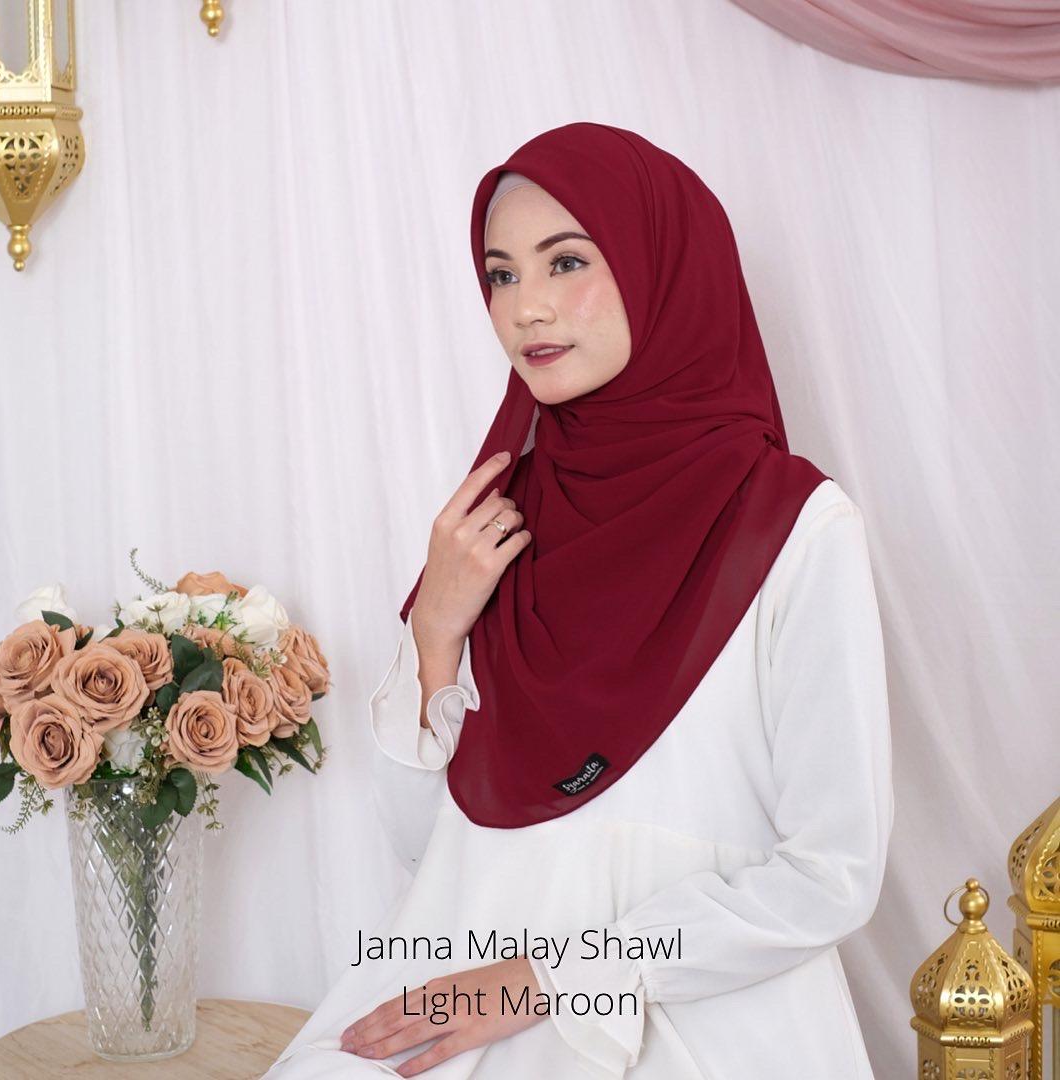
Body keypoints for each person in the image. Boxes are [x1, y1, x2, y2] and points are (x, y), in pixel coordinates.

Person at [264, 122, 894, 1079]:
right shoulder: (494, 523)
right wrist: (435, 632)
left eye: (566, 262)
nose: (526, 308)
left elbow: (832, 875)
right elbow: (428, 844)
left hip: (696, 1017)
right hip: (464, 984)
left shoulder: (795, 528)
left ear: (663, 269)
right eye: (501, 274)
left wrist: (551, 979)